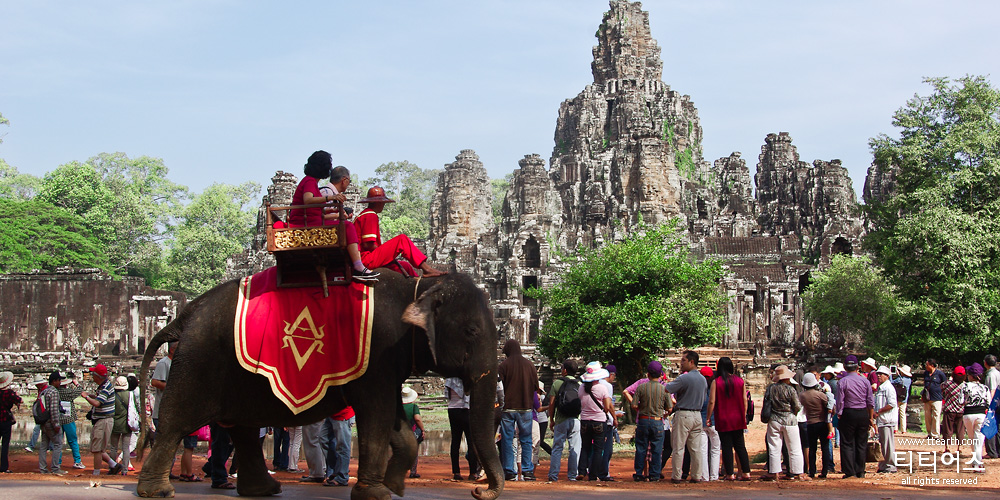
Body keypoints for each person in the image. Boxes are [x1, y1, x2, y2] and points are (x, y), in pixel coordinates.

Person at [287, 152, 378, 282]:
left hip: (312, 221)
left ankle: (355, 264)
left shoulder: (311, 182)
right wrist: (331, 197)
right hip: (305, 225)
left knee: (345, 224)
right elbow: (307, 200)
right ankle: (358, 265)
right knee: (347, 226)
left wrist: (331, 209)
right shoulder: (309, 181)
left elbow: (316, 210)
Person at [353, 186, 447, 277]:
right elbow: (368, 245)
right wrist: (387, 254)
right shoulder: (370, 215)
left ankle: (417, 285)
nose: (383, 205)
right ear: (378, 203)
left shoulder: (363, 215)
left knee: (405, 266)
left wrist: (387, 255)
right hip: (365, 259)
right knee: (402, 240)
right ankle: (427, 269)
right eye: (382, 202)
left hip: (366, 258)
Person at [497, 339, 538, 481]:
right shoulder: (530, 365)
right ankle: (527, 470)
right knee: (526, 440)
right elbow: (535, 386)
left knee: (507, 440)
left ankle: (509, 470)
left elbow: (498, 387)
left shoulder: (503, 366)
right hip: (526, 408)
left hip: (508, 408)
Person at [665, 350, 707, 483]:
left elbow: (668, 388)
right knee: (695, 448)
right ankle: (696, 475)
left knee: (678, 447)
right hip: (697, 415)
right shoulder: (703, 379)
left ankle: (676, 475)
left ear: (691, 362)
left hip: (684, 413)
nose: (681, 363)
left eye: (683, 360)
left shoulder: (684, 378)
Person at [761, 365, 808, 481]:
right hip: (789, 420)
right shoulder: (790, 389)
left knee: (774, 447)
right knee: (794, 447)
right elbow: (797, 406)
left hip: (774, 420)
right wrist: (791, 412)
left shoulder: (770, 388)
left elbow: (766, 404)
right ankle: (798, 472)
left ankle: (774, 472)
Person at [708, 357, 750, 481]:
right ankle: (746, 472)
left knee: (726, 446)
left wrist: (708, 417)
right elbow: (744, 400)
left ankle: (730, 473)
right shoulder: (740, 381)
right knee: (740, 446)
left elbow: (712, 401)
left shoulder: (717, 382)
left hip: (723, 417)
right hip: (738, 417)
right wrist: (744, 414)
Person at [835, 355, 874, 479]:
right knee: (861, 442)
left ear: (845, 367)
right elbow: (870, 401)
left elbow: (840, 401)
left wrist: (839, 414)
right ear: (857, 367)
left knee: (847, 443)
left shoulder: (842, 382)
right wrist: (871, 417)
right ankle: (860, 470)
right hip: (862, 413)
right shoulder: (865, 381)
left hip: (848, 412)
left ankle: (849, 471)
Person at [82, 364, 122, 476]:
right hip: (102, 420)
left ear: (97, 376)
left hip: (103, 420)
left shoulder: (105, 387)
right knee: (99, 449)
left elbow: (97, 403)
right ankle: (114, 465)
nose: (92, 376)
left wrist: (86, 397)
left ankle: (96, 472)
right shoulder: (104, 386)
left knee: (97, 449)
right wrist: (92, 396)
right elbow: (100, 399)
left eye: (93, 374)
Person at [632, 360, 668, 482]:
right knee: (657, 449)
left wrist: (642, 407)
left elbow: (634, 405)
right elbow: (669, 407)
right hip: (657, 421)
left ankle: (638, 473)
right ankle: (655, 475)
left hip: (643, 420)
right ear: (661, 375)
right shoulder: (664, 389)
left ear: (648, 374)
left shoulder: (641, 387)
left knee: (641, 448)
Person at [578, 362, 614, 482]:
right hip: (599, 421)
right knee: (598, 449)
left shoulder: (581, 387)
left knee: (585, 447)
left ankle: (582, 471)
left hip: (584, 420)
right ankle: (593, 475)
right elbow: (608, 406)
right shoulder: (602, 388)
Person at [547, 359, 581, 482]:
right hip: (576, 420)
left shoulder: (557, 383)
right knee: (574, 448)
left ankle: (553, 475)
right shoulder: (580, 384)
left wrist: (552, 419)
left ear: (565, 370)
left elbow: (551, 404)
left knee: (557, 448)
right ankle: (572, 475)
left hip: (561, 419)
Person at [444, 376, 479, 480]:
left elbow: (447, 396)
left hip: (453, 409)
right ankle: (473, 472)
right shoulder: (469, 377)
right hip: (467, 410)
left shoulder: (449, 378)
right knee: (471, 441)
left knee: (455, 441)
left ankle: (456, 472)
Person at [799, 371, 831, 478]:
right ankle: (825, 471)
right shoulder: (821, 395)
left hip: (810, 423)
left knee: (812, 448)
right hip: (822, 423)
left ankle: (812, 471)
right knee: (825, 447)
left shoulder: (802, 396)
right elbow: (830, 407)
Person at [961, 363, 989, 471]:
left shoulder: (965, 386)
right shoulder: (985, 388)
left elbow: (960, 401)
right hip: (981, 414)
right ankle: (978, 462)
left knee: (972, 438)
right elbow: (988, 402)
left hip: (968, 414)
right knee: (979, 439)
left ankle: (976, 462)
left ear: (971, 375)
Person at [37, 371, 65, 475]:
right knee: (58, 444)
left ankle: (43, 469)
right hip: (51, 422)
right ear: (54, 381)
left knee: (44, 445)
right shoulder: (53, 392)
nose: (60, 383)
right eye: (59, 381)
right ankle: (55, 468)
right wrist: (56, 424)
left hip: (43, 422)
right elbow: (54, 410)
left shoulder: (44, 391)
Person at [56, 371, 86, 470]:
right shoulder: (68, 392)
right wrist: (76, 382)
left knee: (58, 442)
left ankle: (57, 461)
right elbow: (80, 389)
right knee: (73, 441)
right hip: (68, 419)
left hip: (58, 419)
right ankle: (77, 461)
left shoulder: (56, 391)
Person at [872, 366, 898, 473]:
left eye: (881, 374)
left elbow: (892, 404)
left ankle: (891, 465)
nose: (878, 376)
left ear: (887, 376)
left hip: (887, 420)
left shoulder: (889, 388)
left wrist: (879, 411)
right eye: (878, 374)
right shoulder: (881, 387)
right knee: (883, 443)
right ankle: (883, 465)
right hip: (882, 420)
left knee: (888, 445)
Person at [108, 376, 135, 475]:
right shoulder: (130, 395)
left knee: (113, 447)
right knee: (126, 448)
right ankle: (125, 470)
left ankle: (112, 467)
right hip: (127, 424)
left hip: (115, 423)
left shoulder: (113, 395)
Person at [324, 406, 354, 487]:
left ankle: (342, 477)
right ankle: (336, 471)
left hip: (343, 414)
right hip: (330, 414)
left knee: (343, 446)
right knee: (323, 439)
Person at [941, 365, 966, 453]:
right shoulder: (964, 386)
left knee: (948, 429)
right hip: (961, 410)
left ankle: (947, 447)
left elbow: (941, 388)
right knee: (960, 429)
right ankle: (960, 447)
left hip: (949, 410)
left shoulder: (947, 384)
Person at [0, 371, 21, 473]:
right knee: (5, 444)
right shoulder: (9, 393)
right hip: (5, 421)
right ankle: (3, 467)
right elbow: (19, 400)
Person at [402, 387, 425, 478]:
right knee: (414, 451)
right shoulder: (414, 407)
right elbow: (417, 419)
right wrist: (422, 430)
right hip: (412, 432)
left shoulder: (397, 406)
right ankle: (413, 472)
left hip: (399, 431)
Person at [923, 358, 946, 439]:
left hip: (937, 398)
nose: (925, 366)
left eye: (927, 365)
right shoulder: (925, 373)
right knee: (927, 416)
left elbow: (944, 384)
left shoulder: (940, 374)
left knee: (936, 416)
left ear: (932, 365)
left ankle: (935, 434)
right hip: (927, 398)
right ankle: (929, 433)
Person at [983, 354, 1000, 459]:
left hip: (994, 402)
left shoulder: (990, 375)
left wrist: (989, 407)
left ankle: (992, 452)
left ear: (985, 363)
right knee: (998, 428)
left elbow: (992, 390)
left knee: (989, 426)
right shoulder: (998, 373)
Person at [892, 365, 912, 434]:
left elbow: (892, 382)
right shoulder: (909, 380)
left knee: (895, 413)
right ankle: (903, 430)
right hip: (904, 398)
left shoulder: (899, 379)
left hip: (898, 398)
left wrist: (892, 375)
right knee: (903, 414)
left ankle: (895, 429)